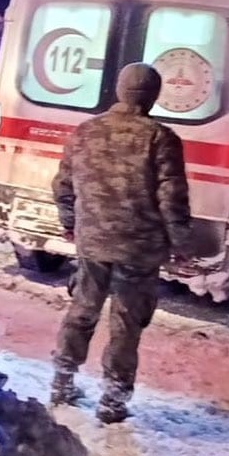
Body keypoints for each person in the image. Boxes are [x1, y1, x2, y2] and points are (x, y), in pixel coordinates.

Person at [49, 62, 192, 424]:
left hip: (93, 240)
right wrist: (179, 241)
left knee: (82, 309)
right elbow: (171, 195)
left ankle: (62, 382)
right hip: (139, 248)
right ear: (153, 96)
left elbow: (63, 186)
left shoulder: (86, 132)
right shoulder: (160, 137)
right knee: (127, 322)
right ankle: (112, 400)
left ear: (118, 90)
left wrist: (71, 224)